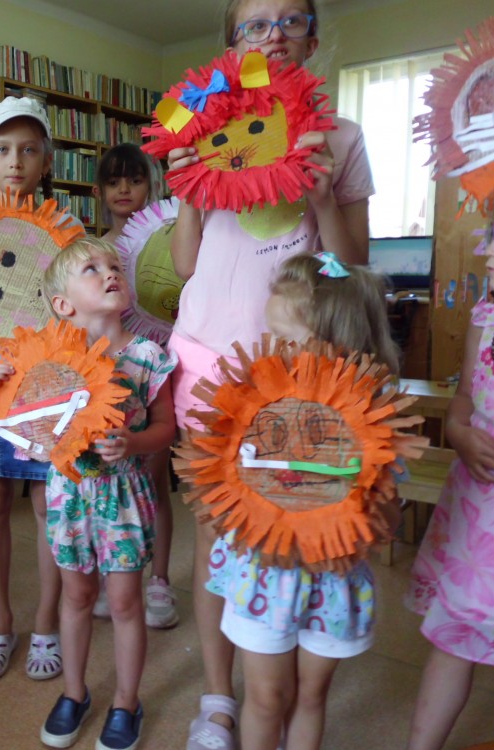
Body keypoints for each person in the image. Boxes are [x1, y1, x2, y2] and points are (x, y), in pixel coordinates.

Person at [164, 3, 375, 746]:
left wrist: (320, 196)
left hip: (293, 373)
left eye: (290, 18)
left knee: (292, 524)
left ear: (314, 37)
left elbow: (356, 265)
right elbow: (186, 263)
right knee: (216, 534)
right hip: (207, 360)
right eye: (254, 23)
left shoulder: (341, 137)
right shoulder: (207, 129)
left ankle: (278, 679)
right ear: (233, 45)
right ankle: (219, 701)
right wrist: (187, 190)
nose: (272, 32)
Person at [207, 251, 397, 750]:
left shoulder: (374, 418)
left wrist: (376, 510)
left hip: (331, 581)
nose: (274, 352)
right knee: (267, 697)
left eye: (288, 341)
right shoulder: (259, 397)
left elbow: (388, 516)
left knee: (311, 696)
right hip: (264, 574)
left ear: (339, 346)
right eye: (270, 337)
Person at [27, 237, 175, 750]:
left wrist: (133, 442)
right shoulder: (50, 358)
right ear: (64, 305)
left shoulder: (147, 355)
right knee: (76, 596)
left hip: (124, 494)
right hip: (69, 493)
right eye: (91, 268)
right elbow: (23, 418)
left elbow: (167, 429)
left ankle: (126, 702)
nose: (109, 272)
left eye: (114, 266)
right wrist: (8, 383)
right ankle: (74, 693)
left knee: (125, 602)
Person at [0, 96, 70, 680]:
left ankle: (47, 622)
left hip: (49, 395)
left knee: (47, 507)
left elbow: (81, 315)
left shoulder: (67, 233)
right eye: (2, 149)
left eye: (29, 150)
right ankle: (0, 621)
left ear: (46, 158)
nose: (15, 161)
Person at [405, 178, 494, 750]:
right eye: (492, 230)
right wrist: (457, 432)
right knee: (452, 638)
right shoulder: (487, 317)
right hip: (478, 513)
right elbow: (465, 401)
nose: (487, 248)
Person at [94, 143, 179, 630]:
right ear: (101, 190)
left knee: (153, 476)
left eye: (135, 179)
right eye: (113, 181)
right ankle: (119, 573)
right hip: (110, 378)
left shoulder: (170, 235)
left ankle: (159, 579)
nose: (124, 189)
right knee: (113, 478)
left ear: (153, 183)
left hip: (160, 369)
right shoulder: (96, 248)